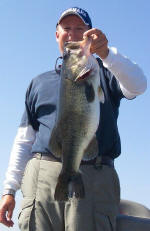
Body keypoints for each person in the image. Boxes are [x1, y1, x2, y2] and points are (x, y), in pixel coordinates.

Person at [0, 6, 147, 231]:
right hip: (41, 179)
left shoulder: (106, 74)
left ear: (91, 34)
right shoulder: (38, 83)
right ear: (57, 35)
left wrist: (106, 53)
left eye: (80, 28)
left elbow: (139, 85)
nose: (73, 34)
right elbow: (24, 140)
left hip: (94, 178)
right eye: (66, 28)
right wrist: (9, 190)